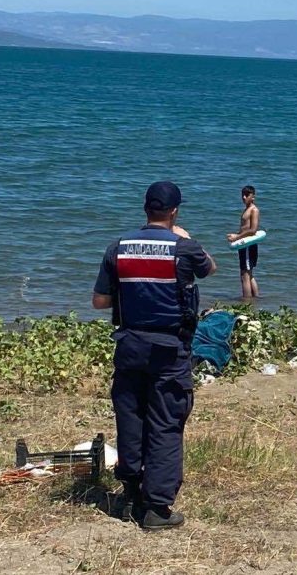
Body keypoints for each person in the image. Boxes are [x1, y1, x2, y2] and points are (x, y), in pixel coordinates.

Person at [92, 181, 216, 530]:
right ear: (174, 211)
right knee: (166, 422)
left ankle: (130, 493)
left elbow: (99, 301)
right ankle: (156, 508)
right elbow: (210, 268)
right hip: (169, 348)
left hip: (129, 344)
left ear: (145, 208)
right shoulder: (185, 247)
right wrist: (186, 237)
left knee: (131, 416)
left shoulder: (118, 247)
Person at [226, 185, 260, 299]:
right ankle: (256, 300)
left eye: (247, 195)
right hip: (245, 244)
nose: (244, 197)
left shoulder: (254, 210)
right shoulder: (247, 209)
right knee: (249, 274)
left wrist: (236, 237)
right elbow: (245, 228)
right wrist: (236, 235)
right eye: (243, 195)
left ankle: (247, 304)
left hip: (248, 246)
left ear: (253, 197)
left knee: (244, 275)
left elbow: (253, 230)